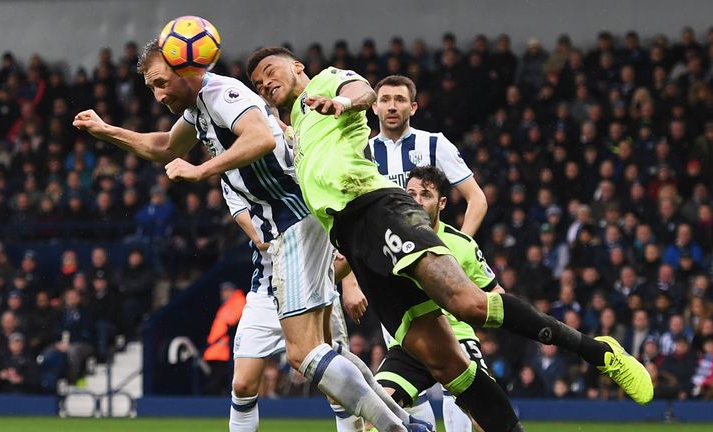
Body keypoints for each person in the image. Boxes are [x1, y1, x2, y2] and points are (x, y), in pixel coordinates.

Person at [247, 47, 652, 432]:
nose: (263, 83)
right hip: (354, 242)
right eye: (256, 82)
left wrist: (344, 103)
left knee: (468, 304)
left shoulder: (328, 82)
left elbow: (361, 91)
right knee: (449, 369)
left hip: (378, 209)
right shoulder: (296, 128)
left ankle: (598, 352)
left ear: (297, 66)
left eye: (269, 72)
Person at [74, 39, 424, 432]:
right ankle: (405, 422)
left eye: (160, 83)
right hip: (288, 233)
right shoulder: (198, 110)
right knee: (325, 352)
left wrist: (200, 171)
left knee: (304, 355)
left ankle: (401, 429)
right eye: (151, 88)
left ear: (186, 67)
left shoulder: (222, 92)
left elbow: (261, 138)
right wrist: (105, 130)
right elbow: (165, 146)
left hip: (292, 223)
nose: (158, 95)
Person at [222, 182, 363, 431]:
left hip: (314, 290)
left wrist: (349, 283)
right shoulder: (232, 178)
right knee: (242, 385)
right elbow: (261, 238)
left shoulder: (296, 160)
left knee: (338, 389)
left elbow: (342, 223)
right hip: (267, 291)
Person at [372, 166, 503, 432]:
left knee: (488, 419)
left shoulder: (461, 244)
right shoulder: (389, 240)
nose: (417, 200)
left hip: (458, 339)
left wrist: (480, 315)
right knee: (375, 412)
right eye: (411, 194)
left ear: (441, 202)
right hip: (412, 342)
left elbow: (496, 293)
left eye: (426, 194)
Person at [368, 75, 487, 237]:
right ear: (375, 107)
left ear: (413, 107)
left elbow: (477, 199)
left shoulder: (435, 143)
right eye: (385, 100)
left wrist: (462, 244)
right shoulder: (363, 152)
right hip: (381, 252)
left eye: (400, 100)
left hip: (429, 251)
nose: (392, 107)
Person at [203, 282, 246, 395]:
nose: (224, 294)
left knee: (217, 383)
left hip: (224, 350)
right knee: (217, 382)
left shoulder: (238, 301)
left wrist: (222, 341)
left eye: (227, 291)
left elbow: (232, 324)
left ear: (233, 291)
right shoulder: (227, 305)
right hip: (216, 349)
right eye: (223, 291)